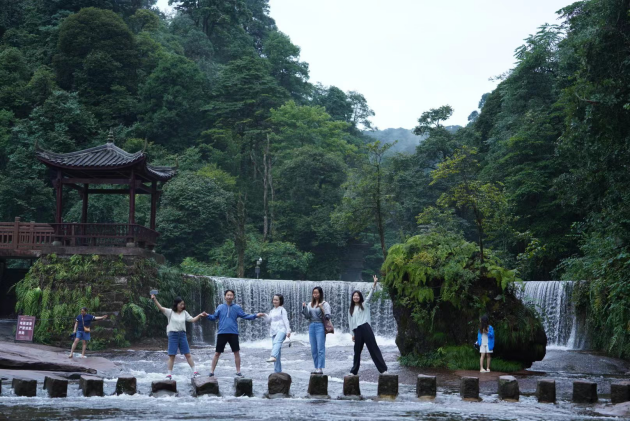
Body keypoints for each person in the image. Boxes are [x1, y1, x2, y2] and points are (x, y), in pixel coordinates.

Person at [206, 290, 264, 377]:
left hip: (233, 333)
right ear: (225, 296)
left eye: (231, 295)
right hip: (222, 333)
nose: (229, 297)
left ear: (233, 297)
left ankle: (238, 371)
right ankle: (211, 371)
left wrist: (255, 315)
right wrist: (207, 315)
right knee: (217, 353)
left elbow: (245, 316)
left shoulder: (237, 307)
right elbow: (214, 317)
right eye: (228, 295)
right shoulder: (220, 307)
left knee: (236, 352)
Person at [151, 294, 207, 379]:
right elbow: (161, 308)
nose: (182, 306)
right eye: (181, 304)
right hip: (173, 335)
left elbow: (192, 320)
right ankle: (169, 374)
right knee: (172, 355)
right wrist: (155, 300)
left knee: (187, 354)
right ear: (176, 304)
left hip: (182, 335)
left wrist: (199, 315)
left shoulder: (184, 313)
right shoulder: (170, 312)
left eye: (183, 304)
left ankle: (195, 371)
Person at [349, 275, 388, 375]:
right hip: (357, 330)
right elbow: (351, 322)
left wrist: (374, 284)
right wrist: (352, 334)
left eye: (357, 295)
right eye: (354, 296)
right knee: (357, 351)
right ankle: (354, 371)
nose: (356, 297)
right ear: (352, 298)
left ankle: (383, 370)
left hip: (365, 327)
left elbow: (369, 295)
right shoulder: (350, 309)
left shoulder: (364, 304)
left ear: (360, 297)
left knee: (373, 348)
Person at [301, 286, 331, 374]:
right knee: (313, 349)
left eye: (317, 293)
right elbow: (307, 317)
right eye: (314, 293)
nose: (315, 294)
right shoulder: (310, 304)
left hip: (320, 325)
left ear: (320, 293)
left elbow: (328, 316)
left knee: (320, 348)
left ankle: (320, 368)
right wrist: (304, 308)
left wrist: (322, 308)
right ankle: (316, 367)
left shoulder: (325, 304)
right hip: (311, 325)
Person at [261, 294, 291, 373]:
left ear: (280, 301)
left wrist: (288, 331)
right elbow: (269, 320)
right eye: (274, 300)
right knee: (277, 350)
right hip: (273, 331)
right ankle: (277, 371)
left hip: (282, 330)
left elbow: (286, 320)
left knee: (277, 342)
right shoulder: (272, 310)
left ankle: (273, 356)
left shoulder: (282, 310)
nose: (275, 301)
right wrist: (264, 315)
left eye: (276, 300)